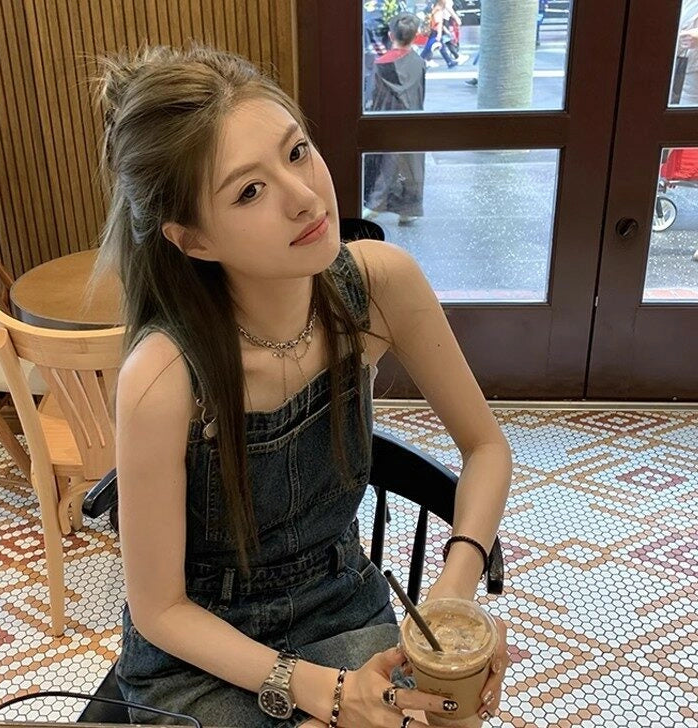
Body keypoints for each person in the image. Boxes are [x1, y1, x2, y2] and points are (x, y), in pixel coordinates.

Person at [98, 42, 512, 728]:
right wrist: (324, 691)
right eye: (249, 191)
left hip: (340, 598)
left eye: (296, 152)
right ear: (194, 241)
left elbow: (487, 448)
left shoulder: (379, 286)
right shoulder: (163, 376)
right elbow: (160, 609)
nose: (304, 197)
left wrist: (450, 606)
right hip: (199, 649)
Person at [363, 13, 427, 226]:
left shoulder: (381, 64)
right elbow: (420, 93)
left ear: (391, 35)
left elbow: (372, 95)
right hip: (412, 119)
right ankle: (408, 209)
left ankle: (374, 204)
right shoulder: (419, 63)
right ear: (415, 36)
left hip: (387, 118)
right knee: (410, 164)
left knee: (386, 162)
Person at [420, 1, 458, 68]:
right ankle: (418, 61)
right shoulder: (438, 11)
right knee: (428, 48)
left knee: (441, 47)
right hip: (436, 32)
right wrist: (439, 34)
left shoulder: (434, 10)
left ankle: (449, 61)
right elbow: (438, 23)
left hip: (433, 31)